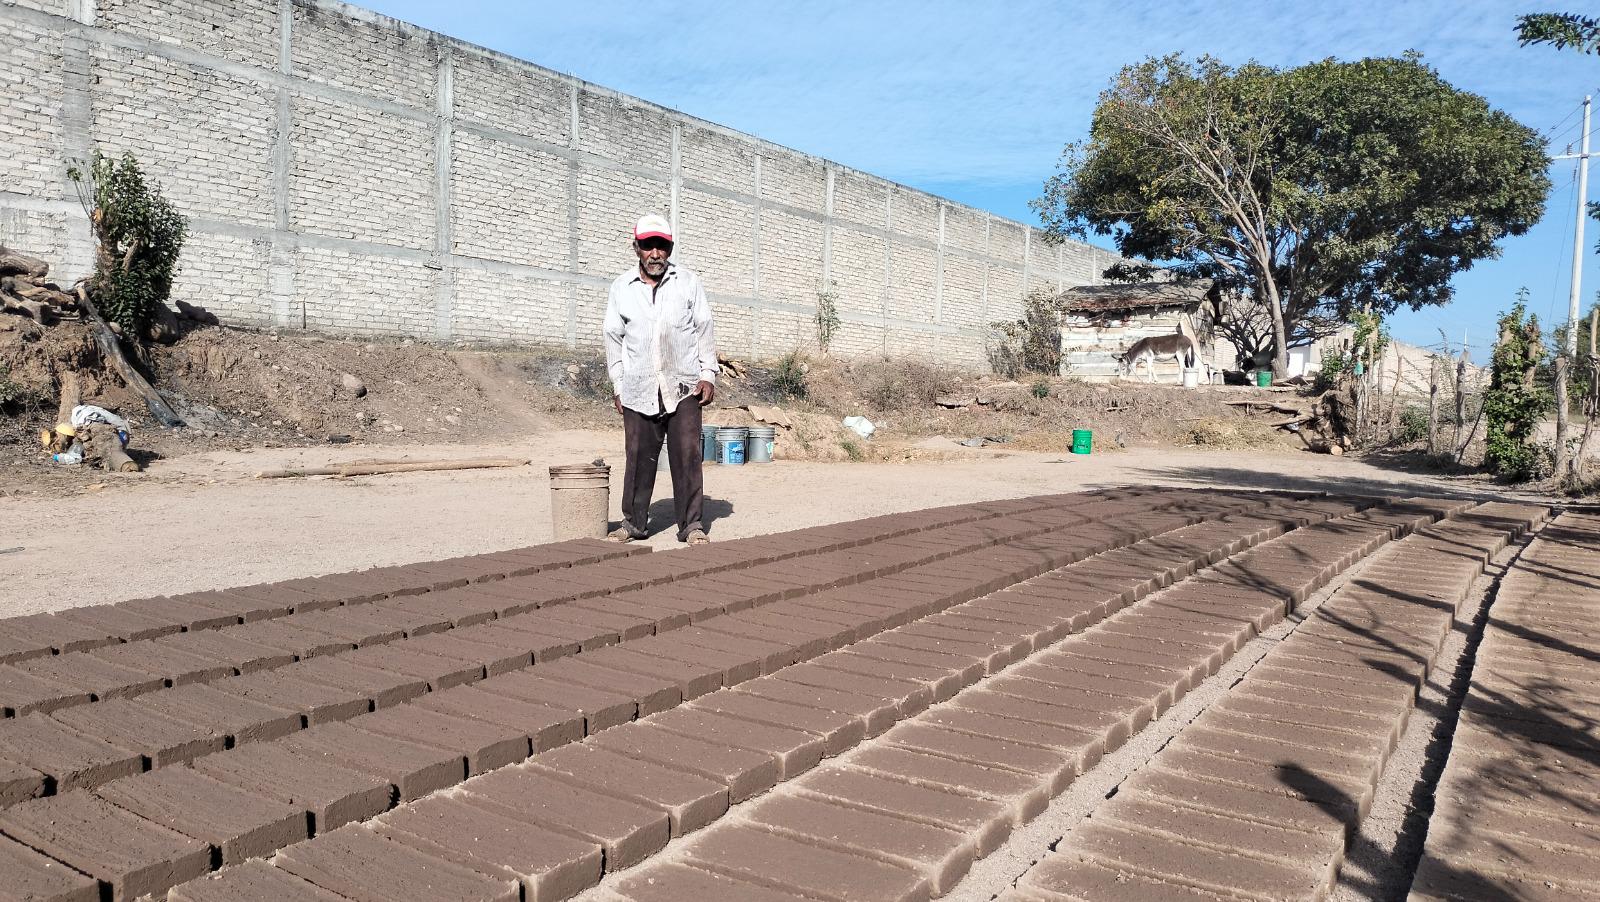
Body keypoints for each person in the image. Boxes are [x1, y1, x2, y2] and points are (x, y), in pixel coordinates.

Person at [602, 214, 718, 545]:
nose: (656, 253)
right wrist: (618, 385)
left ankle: (691, 525)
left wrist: (708, 374)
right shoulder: (621, 288)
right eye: (649, 246)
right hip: (637, 387)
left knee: (687, 456)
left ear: (670, 248)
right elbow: (613, 337)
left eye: (662, 246)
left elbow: (703, 327)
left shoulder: (688, 283)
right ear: (636, 247)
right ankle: (634, 523)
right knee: (638, 457)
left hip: (683, 385)